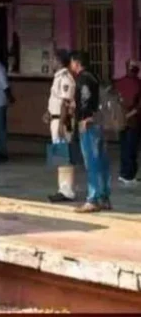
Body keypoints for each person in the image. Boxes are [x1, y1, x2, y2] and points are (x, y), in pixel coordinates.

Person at [69, 52, 110, 212]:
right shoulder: (95, 76)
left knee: (92, 162)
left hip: (89, 124)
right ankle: (104, 197)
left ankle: (92, 199)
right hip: (99, 122)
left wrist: (85, 117)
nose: (71, 65)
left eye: (72, 62)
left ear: (77, 63)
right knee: (101, 161)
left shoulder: (83, 78)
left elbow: (85, 97)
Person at [47, 50, 76, 203]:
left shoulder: (65, 78)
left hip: (62, 121)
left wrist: (61, 124)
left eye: (53, 59)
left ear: (59, 61)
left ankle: (67, 190)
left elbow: (65, 103)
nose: (51, 62)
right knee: (60, 156)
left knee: (64, 156)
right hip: (56, 119)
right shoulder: (57, 77)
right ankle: (62, 188)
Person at [115, 61, 141, 186]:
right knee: (131, 149)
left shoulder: (119, 83)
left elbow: (114, 101)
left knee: (124, 147)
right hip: (133, 122)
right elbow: (139, 107)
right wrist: (129, 115)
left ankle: (123, 173)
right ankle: (129, 176)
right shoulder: (138, 84)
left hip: (121, 121)